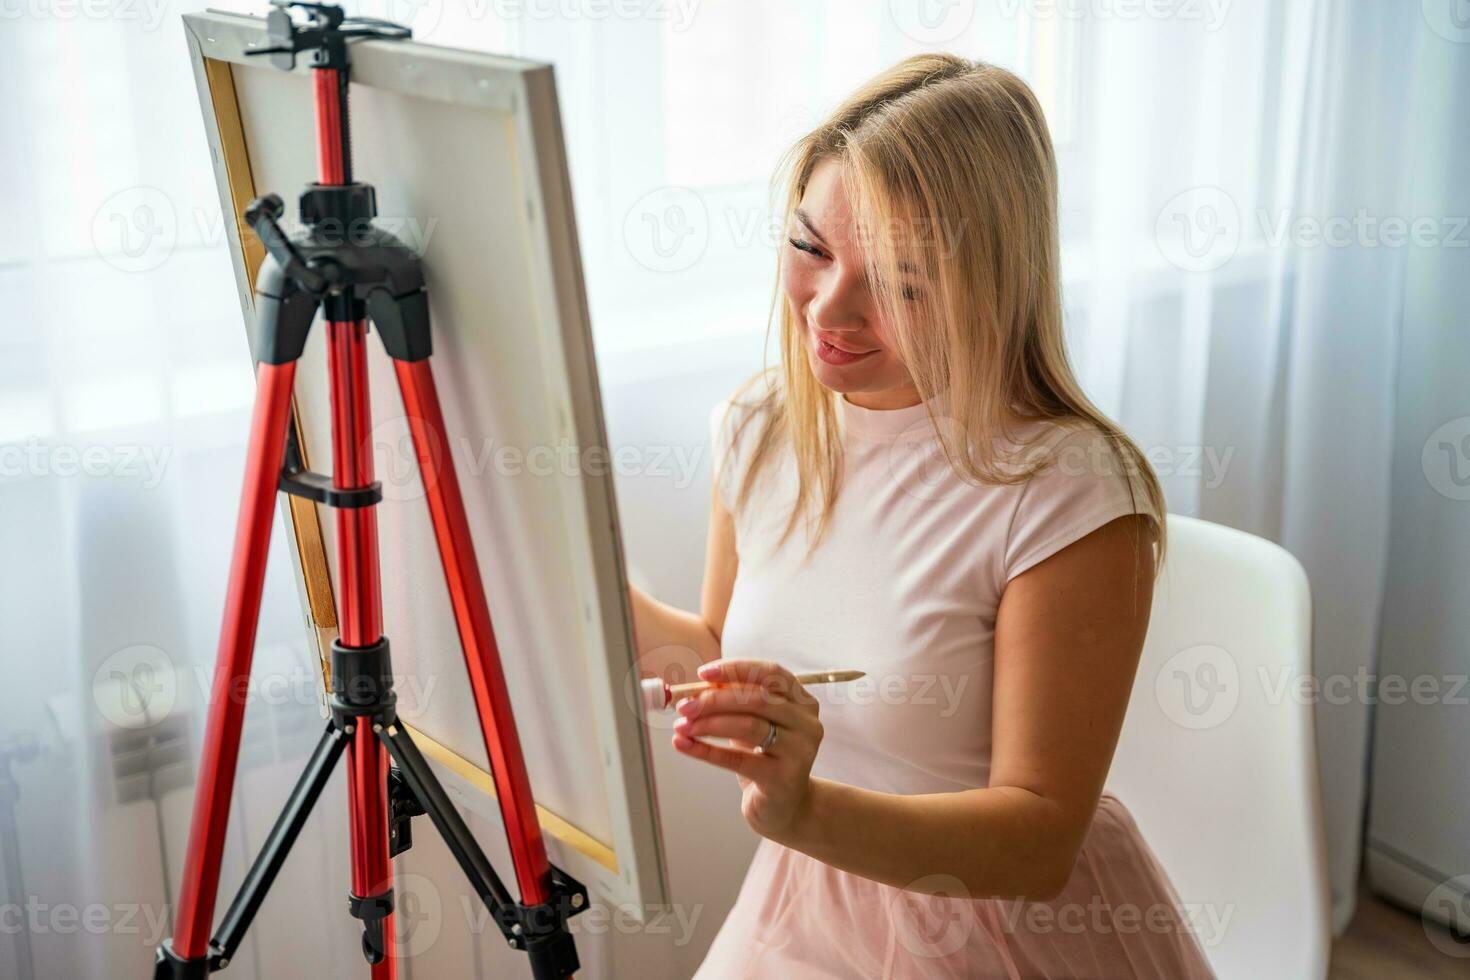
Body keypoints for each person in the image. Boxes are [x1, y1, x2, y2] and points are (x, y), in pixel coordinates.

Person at [628, 53, 1216, 979]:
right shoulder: (761, 425)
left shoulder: (1072, 493)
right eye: (812, 247)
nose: (831, 307)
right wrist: (580, 584)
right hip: (812, 893)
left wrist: (805, 811)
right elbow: (719, 652)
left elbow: (1037, 838)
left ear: (992, 284)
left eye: (902, 285)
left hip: (995, 927)